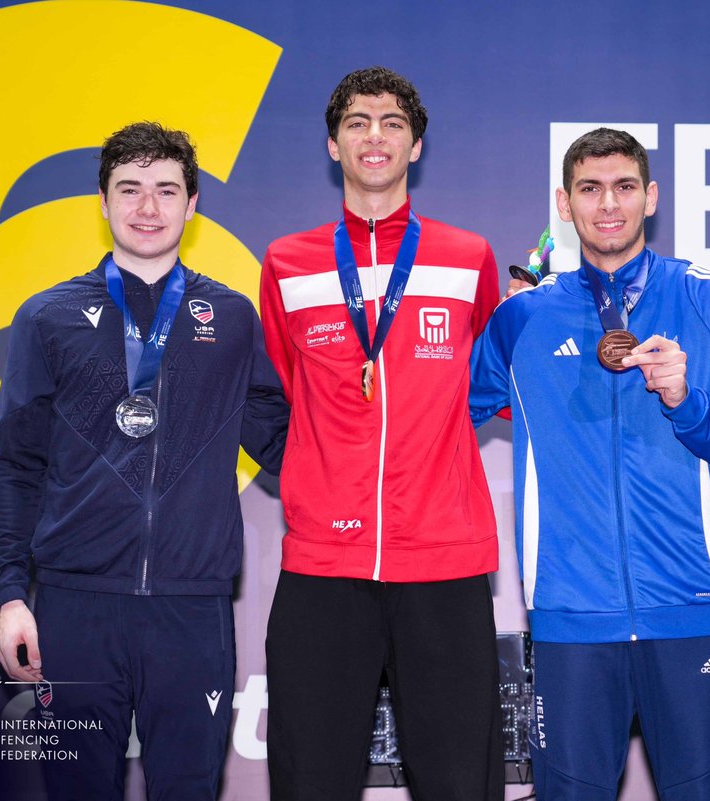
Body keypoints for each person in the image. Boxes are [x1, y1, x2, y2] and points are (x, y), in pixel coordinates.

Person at [0, 121, 289, 800]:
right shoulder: (47, 317)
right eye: (129, 189)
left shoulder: (231, 316)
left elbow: (282, 441)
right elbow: (13, 463)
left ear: (193, 203)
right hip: (74, 608)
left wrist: (383, 418)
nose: (147, 208)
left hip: (192, 611)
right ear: (102, 201)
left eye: (164, 190)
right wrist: (10, 593)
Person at [469, 127, 710, 800]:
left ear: (651, 196)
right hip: (570, 617)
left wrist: (686, 399)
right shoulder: (524, 318)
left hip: (690, 610)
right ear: (565, 202)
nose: (609, 204)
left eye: (625, 187)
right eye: (590, 188)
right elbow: (443, 417)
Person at [259, 67, 503, 801]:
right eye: (358, 122)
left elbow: (492, 384)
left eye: (392, 122)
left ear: (416, 145)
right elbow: (276, 397)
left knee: (461, 780)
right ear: (333, 145)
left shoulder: (468, 257)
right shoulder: (287, 263)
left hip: (443, 559)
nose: (375, 135)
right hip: (324, 566)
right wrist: (312, 474)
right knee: (310, 781)